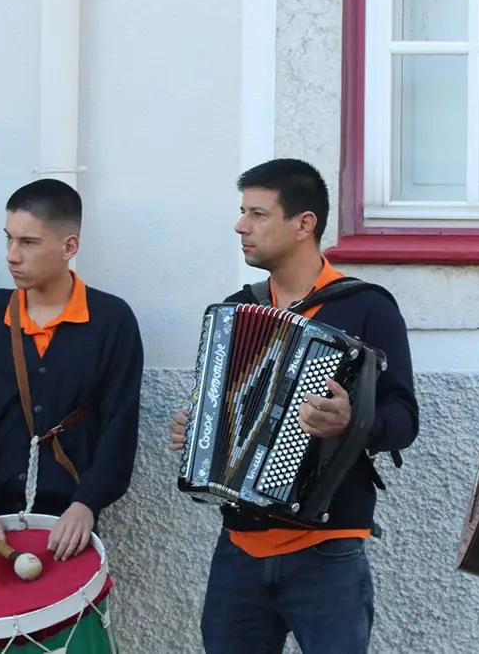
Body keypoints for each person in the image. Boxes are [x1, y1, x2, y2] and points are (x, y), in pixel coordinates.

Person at [168, 158, 420, 653]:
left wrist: (354, 422)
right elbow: (226, 405)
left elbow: (404, 419)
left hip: (327, 552)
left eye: (257, 214)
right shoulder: (237, 309)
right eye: (243, 212)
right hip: (239, 550)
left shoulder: (366, 306)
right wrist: (197, 431)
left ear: (304, 223)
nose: (241, 226)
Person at [0, 177, 144, 562]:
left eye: (28, 242)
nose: (12, 255)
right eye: (8, 239)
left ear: (69, 247)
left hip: (68, 528)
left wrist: (86, 504)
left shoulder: (111, 321)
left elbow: (119, 424)